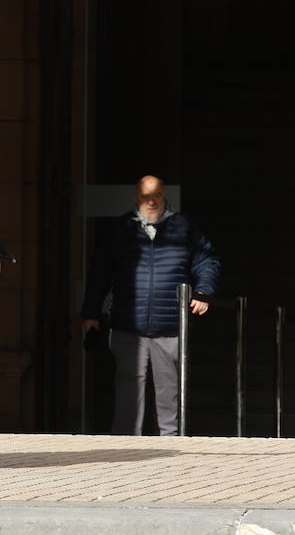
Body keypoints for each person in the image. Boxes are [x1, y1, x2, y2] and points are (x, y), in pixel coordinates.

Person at [82, 175, 220, 436]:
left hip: (168, 325)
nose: (151, 201)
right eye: (146, 196)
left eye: (156, 195)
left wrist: (202, 293)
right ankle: (125, 447)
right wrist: (91, 312)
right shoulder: (120, 228)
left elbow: (207, 261)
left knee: (169, 390)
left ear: (164, 195)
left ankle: (171, 446)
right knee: (128, 389)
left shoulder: (184, 227)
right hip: (128, 323)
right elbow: (100, 271)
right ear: (137, 197)